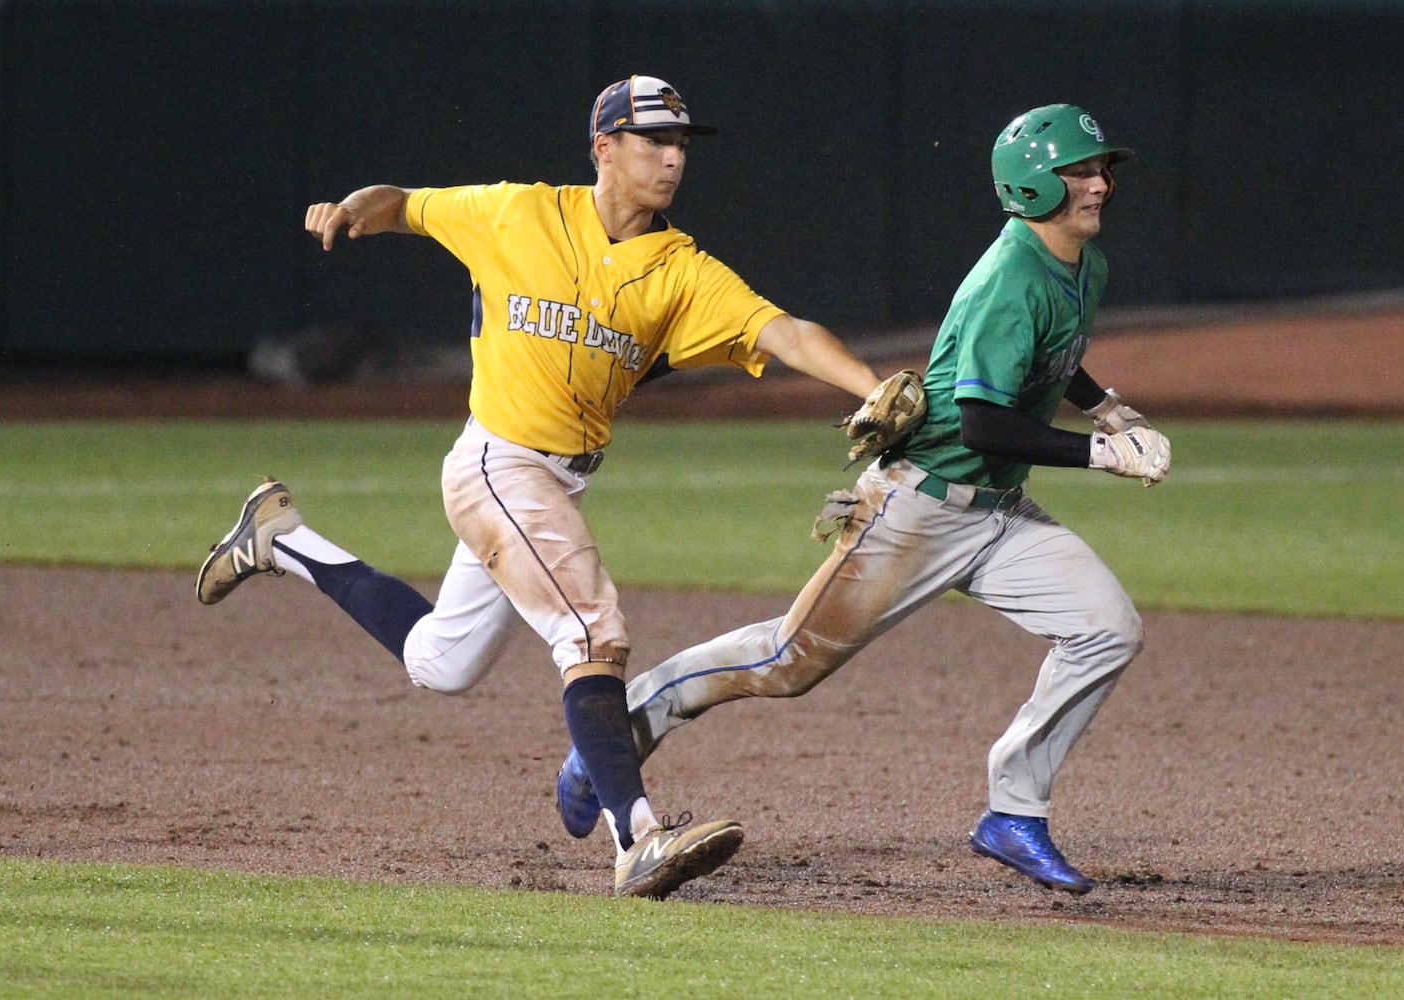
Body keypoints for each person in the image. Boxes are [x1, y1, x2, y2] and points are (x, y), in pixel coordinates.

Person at [194, 75, 889, 899]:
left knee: (439, 663)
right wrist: (351, 206)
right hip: (496, 462)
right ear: (604, 148)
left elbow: (785, 331)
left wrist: (871, 388)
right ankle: (637, 839)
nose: (672, 158)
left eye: (680, 145)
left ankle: (281, 538)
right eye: (653, 141)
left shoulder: (679, 269)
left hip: (556, 482)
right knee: (593, 633)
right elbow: (406, 203)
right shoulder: (517, 213)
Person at [554, 103, 1172, 896]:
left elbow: (1059, 352)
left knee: (1106, 629)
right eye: (1079, 171)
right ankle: (622, 727)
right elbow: (984, 425)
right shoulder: (1006, 278)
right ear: (1030, 186)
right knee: (785, 663)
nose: (1100, 183)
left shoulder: (1084, 264)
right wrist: (1103, 453)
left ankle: (1013, 813)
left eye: (1101, 168)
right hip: (918, 509)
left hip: (997, 514)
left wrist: (1106, 405)